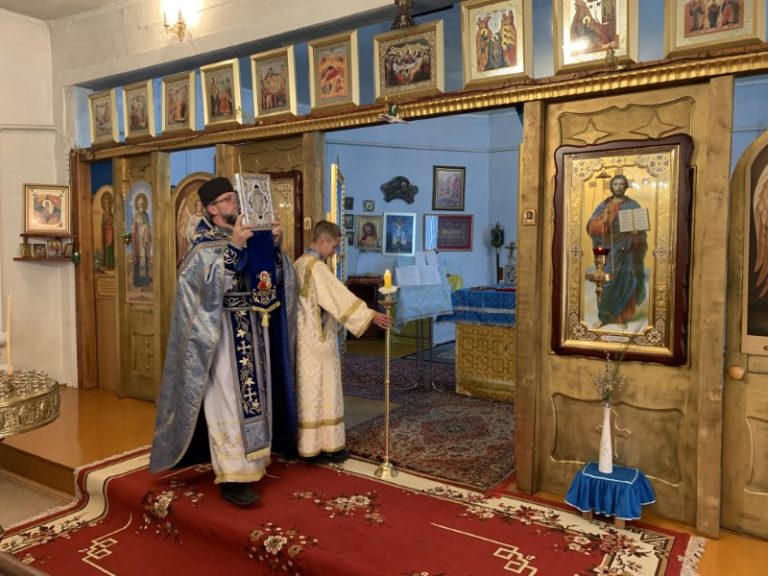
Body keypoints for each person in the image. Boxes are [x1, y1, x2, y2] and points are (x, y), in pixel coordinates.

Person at [150, 176, 299, 507]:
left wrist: (274, 248)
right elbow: (203, 291)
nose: (236, 203)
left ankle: (255, 463)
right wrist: (235, 248)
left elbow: (276, 280)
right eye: (229, 199)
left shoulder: (251, 236)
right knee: (229, 402)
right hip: (222, 338)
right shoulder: (202, 246)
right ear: (213, 209)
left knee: (257, 397)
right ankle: (232, 476)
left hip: (254, 330)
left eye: (235, 197)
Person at [293, 221, 391, 462]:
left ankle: (308, 444)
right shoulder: (316, 268)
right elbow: (339, 298)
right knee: (324, 391)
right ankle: (325, 445)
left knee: (309, 392)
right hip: (319, 342)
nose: (334, 251)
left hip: (303, 339)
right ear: (323, 241)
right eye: (334, 246)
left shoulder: (298, 263)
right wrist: (371, 314)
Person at [585, 174, 648, 329]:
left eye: (621, 184)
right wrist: (604, 220)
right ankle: (604, 317)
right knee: (608, 282)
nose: (618, 187)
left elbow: (641, 229)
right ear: (611, 187)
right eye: (615, 184)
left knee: (626, 282)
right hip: (611, 249)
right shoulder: (604, 204)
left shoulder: (633, 204)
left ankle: (621, 317)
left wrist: (636, 233)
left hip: (628, 250)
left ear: (626, 186)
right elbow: (592, 226)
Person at [132, 193, 152, 288]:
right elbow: (133, 229)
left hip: (145, 241)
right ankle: (137, 281)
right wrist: (139, 233)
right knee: (138, 261)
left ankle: (144, 280)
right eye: (140, 204)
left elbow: (149, 227)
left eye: (143, 204)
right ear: (137, 204)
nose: (141, 205)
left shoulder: (146, 215)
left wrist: (146, 230)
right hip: (138, 241)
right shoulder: (135, 215)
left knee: (145, 260)